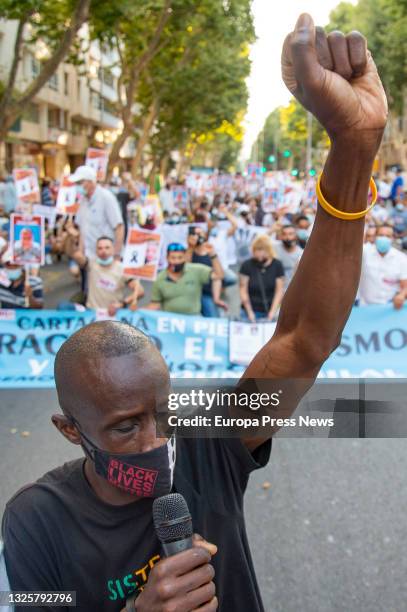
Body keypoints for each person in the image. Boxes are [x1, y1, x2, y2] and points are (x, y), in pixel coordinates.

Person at [1, 14, 389, 612]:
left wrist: (355, 146)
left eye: (163, 413)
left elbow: (306, 338)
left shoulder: (207, 441)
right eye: (127, 427)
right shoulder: (34, 520)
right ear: (70, 430)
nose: (158, 443)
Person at [65, 233, 144, 315]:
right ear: (96, 251)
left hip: (112, 314)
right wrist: (70, 237)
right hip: (92, 313)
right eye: (100, 248)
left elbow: (140, 291)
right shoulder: (90, 264)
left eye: (107, 248)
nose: (103, 251)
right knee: (63, 307)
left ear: (113, 249)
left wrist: (122, 304)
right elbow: (73, 253)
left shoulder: (122, 269)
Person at [148, 243, 222, 315]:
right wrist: (138, 312)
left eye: (180, 258)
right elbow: (155, 304)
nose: (176, 261)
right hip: (170, 320)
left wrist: (213, 255)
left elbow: (218, 275)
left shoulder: (196, 270)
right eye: (173, 258)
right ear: (167, 258)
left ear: (184, 257)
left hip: (193, 317)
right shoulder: (160, 278)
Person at [70, 166, 124, 258]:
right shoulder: (83, 201)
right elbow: (83, 229)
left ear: (91, 181)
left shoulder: (106, 197)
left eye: (80, 182)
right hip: (88, 258)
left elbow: (119, 227)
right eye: (76, 183)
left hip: (106, 259)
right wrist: (80, 252)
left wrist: (116, 255)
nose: (77, 185)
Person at [359, 224, 407, 308]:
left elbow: (404, 285)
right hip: (364, 307)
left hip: (389, 308)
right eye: (381, 235)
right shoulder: (363, 252)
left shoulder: (401, 258)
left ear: (392, 238)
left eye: (388, 236)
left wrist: (402, 295)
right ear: (375, 237)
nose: (384, 238)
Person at [239, 235, 285, 322]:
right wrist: (249, 312)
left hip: (270, 309)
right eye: (257, 250)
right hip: (250, 310)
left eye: (262, 251)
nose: (259, 255)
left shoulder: (277, 265)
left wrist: (272, 312)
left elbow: (279, 291)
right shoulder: (247, 265)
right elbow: (243, 289)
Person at [186, 226, 226, 316]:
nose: (198, 236)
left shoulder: (210, 249)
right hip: (190, 291)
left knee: (213, 319)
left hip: (206, 292)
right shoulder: (187, 251)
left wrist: (216, 298)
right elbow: (184, 269)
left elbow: (218, 276)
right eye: (195, 234)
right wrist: (190, 247)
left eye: (200, 233)